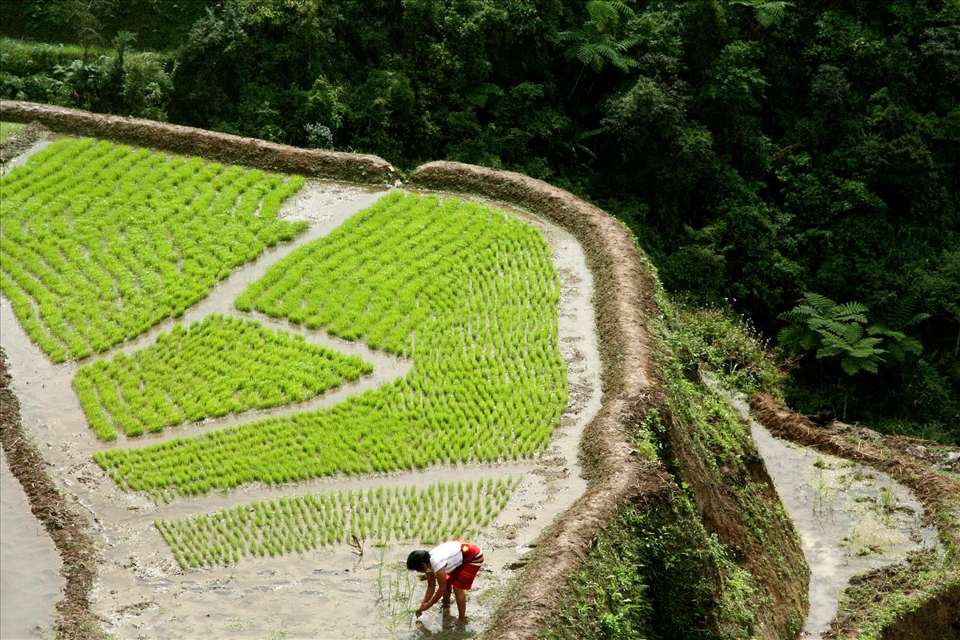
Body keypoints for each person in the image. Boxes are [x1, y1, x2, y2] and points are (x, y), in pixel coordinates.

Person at [406, 539, 484, 624]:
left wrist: (429, 605)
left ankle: (462, 618)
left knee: (457, 588)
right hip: (459, 555)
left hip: (473, 557)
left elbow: (442, 588)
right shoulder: (427, 563)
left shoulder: (437, 562)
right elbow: (431, 587)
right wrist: (423, 605)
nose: (417, 571)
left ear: (423, 564)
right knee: (446, 580)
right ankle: (446, 603)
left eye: (417, 569)